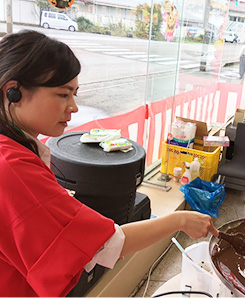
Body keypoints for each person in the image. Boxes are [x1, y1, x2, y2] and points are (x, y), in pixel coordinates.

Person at [0, 30, 218, 297]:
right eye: (63, 94)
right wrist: (180, 220)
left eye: (75, 94)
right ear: (13, 92)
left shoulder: (12, 150)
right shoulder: (13, 168)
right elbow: (103, 244)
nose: (74, 107)